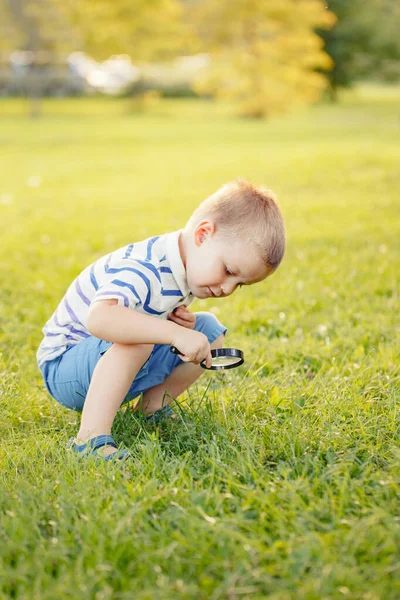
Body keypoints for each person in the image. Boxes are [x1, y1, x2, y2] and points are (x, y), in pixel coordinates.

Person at [37, 179, 285, 461]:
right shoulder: (146, 268)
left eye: (240, 284)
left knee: (210, 330)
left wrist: (179, 326)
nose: (227, 289)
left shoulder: (185, 269)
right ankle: (88, 440)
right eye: (228, 270)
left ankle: (152, 410)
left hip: (105, 360)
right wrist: (171, 333)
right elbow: (100, 318)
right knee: (139, 338)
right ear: (203, 235)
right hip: (64, 368)